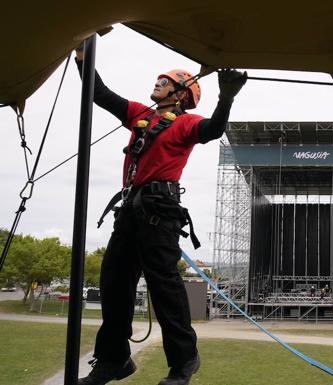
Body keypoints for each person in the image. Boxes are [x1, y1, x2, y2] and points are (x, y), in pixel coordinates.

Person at [74, 46, 247, 385]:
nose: (157, 83)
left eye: (164, 81)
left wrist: (226, 98)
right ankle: (113, 360)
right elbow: (99, 93)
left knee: (164, 287)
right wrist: (83, 57)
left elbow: (212, 129)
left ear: (181, 94)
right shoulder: (141, 115)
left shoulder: (185, 124)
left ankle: (184, 362)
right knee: (113, 284)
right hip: (130, 210)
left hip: (158, 212)